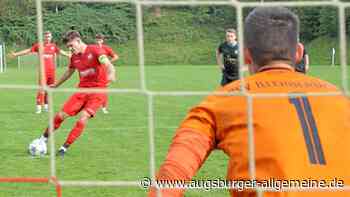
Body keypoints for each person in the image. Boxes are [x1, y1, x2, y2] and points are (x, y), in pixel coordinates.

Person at [149, 7, 350, 197]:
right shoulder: (340, 98)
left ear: (246, 55)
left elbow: (174, 173)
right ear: (298, 53)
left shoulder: (221, 100)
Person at [32, 30, 116, 156]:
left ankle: (64, 148)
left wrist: (111, 74)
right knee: (60, 116)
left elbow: (108, 64)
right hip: (81, 92)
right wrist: (56, 85)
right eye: (68, 47)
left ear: (78, 41)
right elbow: (69, 72)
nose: (70, 49)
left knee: (83, 117)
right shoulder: (75, 57)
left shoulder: (95, 50)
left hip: (97, 93)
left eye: (71, 46)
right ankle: (42, 140)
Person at [10, 31, 70, 114]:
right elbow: (28, 51)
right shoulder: (39, 45)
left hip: (52, 72)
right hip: (43, 72)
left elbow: (62, 52)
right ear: (43, 37)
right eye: (46, 36)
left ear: (51, 37)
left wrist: (69, 55)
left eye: (49, 36)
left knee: (49, 89)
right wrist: (16, 54)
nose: (47, 38)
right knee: (41, 89)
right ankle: (38, 107)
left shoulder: (53, 46)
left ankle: (46, 107)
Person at [95, 33, 119, 114]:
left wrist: (108, 62)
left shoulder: (106, 48)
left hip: (104, 72)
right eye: (97, 39)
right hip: (94, 72)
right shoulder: (93, 48)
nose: (99, 41)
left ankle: (104, 108)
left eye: (100, 39)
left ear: (103, 40)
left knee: (103, 90)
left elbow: (116, 56)